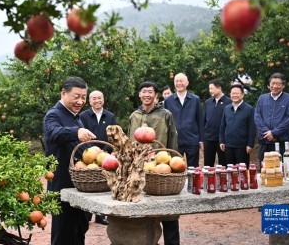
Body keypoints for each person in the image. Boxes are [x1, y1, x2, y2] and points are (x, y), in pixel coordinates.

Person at [43, 76, 96, 245]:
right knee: (63, 232)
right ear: (63, 93)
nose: (80, 101)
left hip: (77, 182)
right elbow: (53, 133)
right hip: (61, 183)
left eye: (83, 97)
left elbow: (78, 148)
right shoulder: (53, 114)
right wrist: (76, 132)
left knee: (79, 229)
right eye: (76, 97)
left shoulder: (75, 117)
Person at [128, 81, 179, 245]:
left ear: (156, 95)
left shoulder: (165, 115)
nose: (147, 95)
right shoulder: (134, 116)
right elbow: (129, 143)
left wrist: (173, 164)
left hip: (161, 167)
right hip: (138, 168)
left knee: (168, 212)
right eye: (144, 92)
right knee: (141, 210)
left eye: (150, 92)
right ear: (139, 95)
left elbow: (172, 140)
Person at [79, 90, 116, 226]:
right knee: (90, 183)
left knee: (102, 184)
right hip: (88, 154)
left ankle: (100, 216)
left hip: (105, 155)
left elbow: (113, 136)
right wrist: (93, 151)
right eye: (94, 98)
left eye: (99, 98)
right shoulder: (83, 116)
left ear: (103, 100)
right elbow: (82, 136)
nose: (97, 100)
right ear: (90, 101)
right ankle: (87, 214)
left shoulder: (110, 116)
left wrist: (104, 151)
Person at [254, 73, 289, 163]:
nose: (275, 86)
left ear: (283, 85)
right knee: (264, 168)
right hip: (264, 140)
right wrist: (267, 133)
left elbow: (288, 119)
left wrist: (274, 133)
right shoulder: (262, 98)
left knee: (281, 168)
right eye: (273, 83)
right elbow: (257, 116)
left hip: (282, 141)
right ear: (269, 85)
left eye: (278, 84)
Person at [164, 73, 204, 167]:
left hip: (192, 138)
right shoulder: (168, 100)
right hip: (175, 140)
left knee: (193, 168)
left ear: (187, 83)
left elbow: (200, 120)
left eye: (181, 81)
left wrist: (201, 139)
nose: (179, 83)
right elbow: (165, 121)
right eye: (176, 81)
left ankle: (193, 182)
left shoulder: (195, 99)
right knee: (174, 167)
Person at [219, 84, 256, 167]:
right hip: (228, 145)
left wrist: (250, 144)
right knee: (230, 170)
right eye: (233, 93)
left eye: (237, 93)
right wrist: (221, 141)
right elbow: (222, 126)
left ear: (242, 95)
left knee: (242, 171)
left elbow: (252, 128)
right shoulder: (227, 108)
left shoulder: (249, 109)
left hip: (242, 146)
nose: (234, 95)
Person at [203, 80, 231, 167]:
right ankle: (208, 180)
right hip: (208, 138)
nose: (210, 90)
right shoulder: (208, 102)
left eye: (212, 88)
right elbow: (204, 119)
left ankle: (224, 180)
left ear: (219, 88)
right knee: (208, 164)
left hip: (222, 139)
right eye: (209, 89)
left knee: (224, 164)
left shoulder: (229, 102)